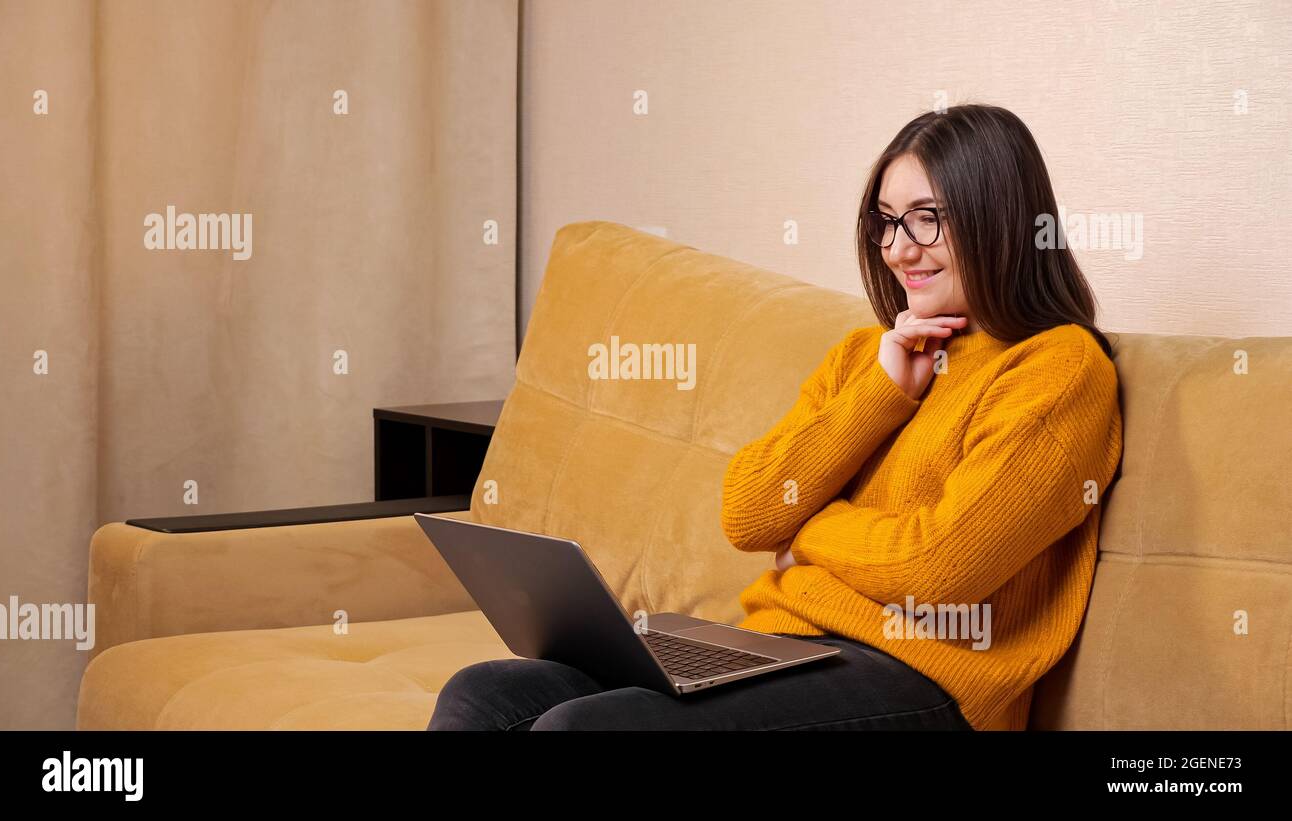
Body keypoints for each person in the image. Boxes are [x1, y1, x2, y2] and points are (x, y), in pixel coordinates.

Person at [427, 103, 1123, 731]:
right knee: (484, 694)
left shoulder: (1057, 368)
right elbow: (749, 512)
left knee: (589, 728)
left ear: (997, 215)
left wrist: (809, 532)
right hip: (781, 645)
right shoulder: (869, 356)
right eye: (885, 221)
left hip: (927, 681)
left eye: (926, 218)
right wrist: (882, 392)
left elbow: (940, 566)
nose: (898, 248)